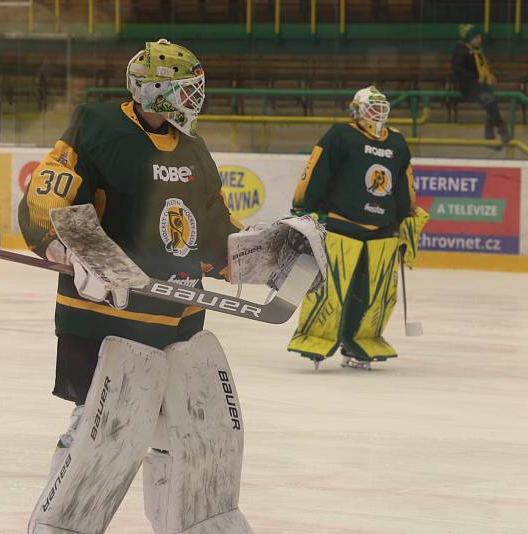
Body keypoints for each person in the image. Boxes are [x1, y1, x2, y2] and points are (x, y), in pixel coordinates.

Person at [18, 39, 323, 534]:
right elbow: (44, 200)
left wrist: (270, 255)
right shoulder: (96, 125)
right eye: (187, 88)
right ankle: (63, 525)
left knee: (197, 437)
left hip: (179, 322)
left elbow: (213, 233)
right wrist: (69, 248)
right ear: (157, 92)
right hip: (106, 322)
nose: (196, 96)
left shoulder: (193, 147)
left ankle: (202, 521)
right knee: (104, 434)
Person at [287, 86, 429, 371]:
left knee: (375, 293)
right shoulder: (341, 135)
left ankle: (362, 340)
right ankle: (316, 339)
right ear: (356, 110)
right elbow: (318, 169)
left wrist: (406, 215)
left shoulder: (398, 144)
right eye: (371, 107)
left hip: (382, 231)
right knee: (330, 289)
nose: (377, 113)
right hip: (341, 225)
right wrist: (305, 205)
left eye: (381, 107)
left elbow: (404, 184)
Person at [452, 23, 510, 145]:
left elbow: (483, 69)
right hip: (469, 87)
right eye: (476, 37)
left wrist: (488, 77)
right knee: (490, 102)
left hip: (479, 85)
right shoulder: (462, 52)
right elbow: (459, 71)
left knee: (491, 103)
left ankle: (491, 136)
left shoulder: (476, 52)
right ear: (469, 38)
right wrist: (476, 78)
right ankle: (501, 128)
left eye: (480, 37)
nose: (480, 40)